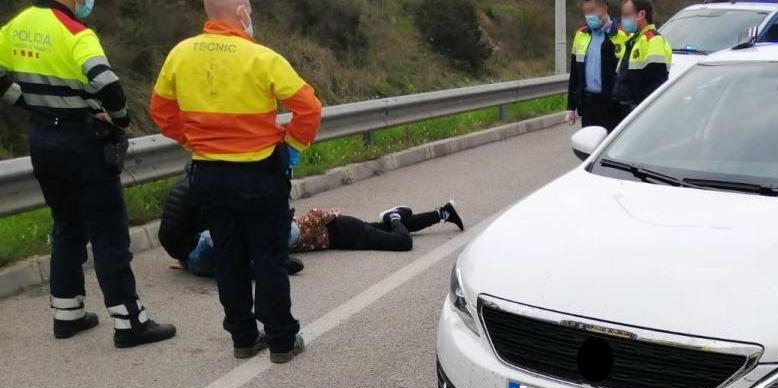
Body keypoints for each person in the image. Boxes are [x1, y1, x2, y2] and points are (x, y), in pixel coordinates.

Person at [151, 0, 322, 364]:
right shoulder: (261, 58)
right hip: (259, 174)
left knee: (230, 257)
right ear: (241, 10)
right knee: (269, 258)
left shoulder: (180, 54)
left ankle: (243, 338)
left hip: (210, 175)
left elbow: (161, 113)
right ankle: (281, 341)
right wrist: (291, 146)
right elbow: (309, 107)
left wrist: (194, 140)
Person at [0, 0, 176, 347]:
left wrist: (23, 101)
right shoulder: (77, 33)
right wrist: (121, 120)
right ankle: (129, 322)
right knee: (108, 231)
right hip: (81, 140)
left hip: (41, 138)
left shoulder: (17, 25)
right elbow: (107, 84)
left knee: (67, 225)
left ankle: (67, 314)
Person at [156, 170, 465, 280]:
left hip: (330, 228)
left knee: (400, 241)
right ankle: (442, 214)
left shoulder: (279, 232)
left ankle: (395, 214)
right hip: (331, 233)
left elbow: (293, 261)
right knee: (381, 232)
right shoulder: (260, 229)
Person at [567, 0, 628, 131]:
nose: (589, 16)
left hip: (612, 106)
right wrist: (571, 107)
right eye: (586, 12)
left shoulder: (622, 35)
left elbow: (628, 74)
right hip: (588, 104)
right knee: (588, 148)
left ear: (605, 8)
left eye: (592, 11)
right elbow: (574, 74)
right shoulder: (581, 35)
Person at [612, 0, 672, 126]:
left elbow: (656, 83)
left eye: (627, 15)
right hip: (626, 109)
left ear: (641, 14)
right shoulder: (634, 40)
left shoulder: (653, 40)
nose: (623, 20)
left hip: (638, 112)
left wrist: (641, 110)